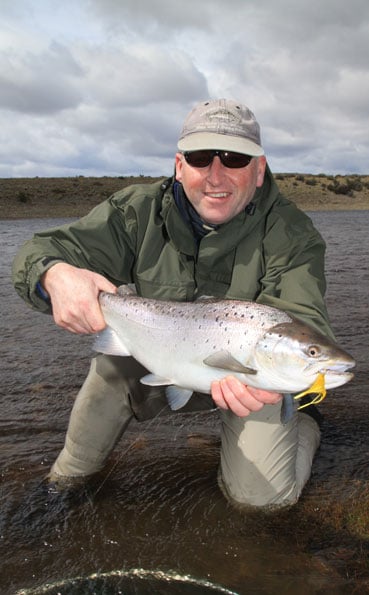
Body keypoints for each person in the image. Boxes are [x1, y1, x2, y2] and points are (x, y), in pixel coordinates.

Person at [12, 98, 334, 509]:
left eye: (234, 159)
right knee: (108, 374)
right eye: (201, 158)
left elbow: (303, 318)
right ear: (180, 166)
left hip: (249, 380)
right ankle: (62, 487)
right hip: (159, 356)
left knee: (261, 503)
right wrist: (53, 275)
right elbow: (39, 251)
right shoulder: (135, 212)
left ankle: (304, 423)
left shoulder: (293, 233)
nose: (216, 175)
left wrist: (284, 381)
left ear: (259, 170)